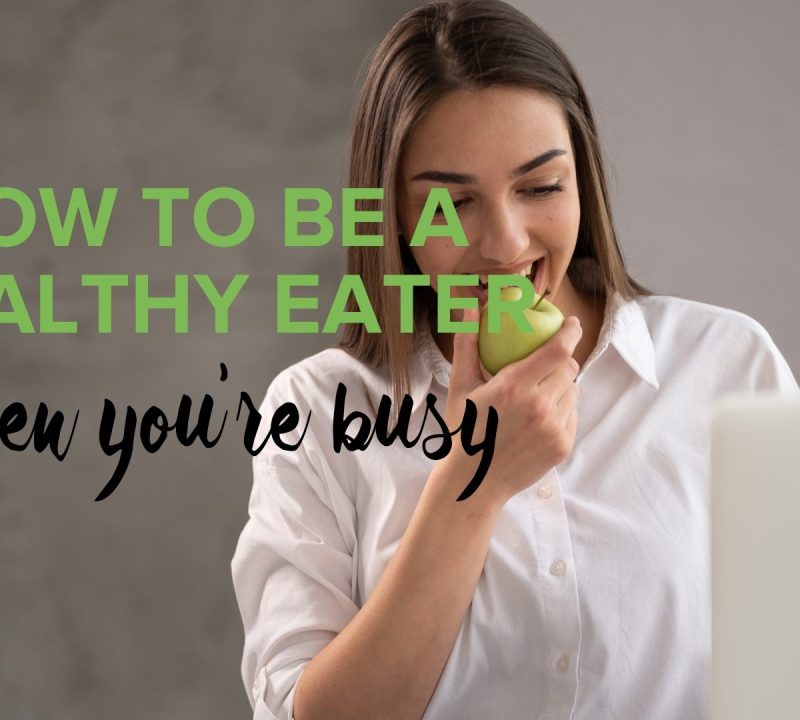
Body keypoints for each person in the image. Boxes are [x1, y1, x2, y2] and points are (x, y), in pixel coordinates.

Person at [229, 1, 799, 719]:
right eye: (453, 203)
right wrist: (473, 482)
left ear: (582, 183)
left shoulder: (726, 366)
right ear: (394, 216)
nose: (503, 242)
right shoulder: (316, 412)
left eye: (540, 187)